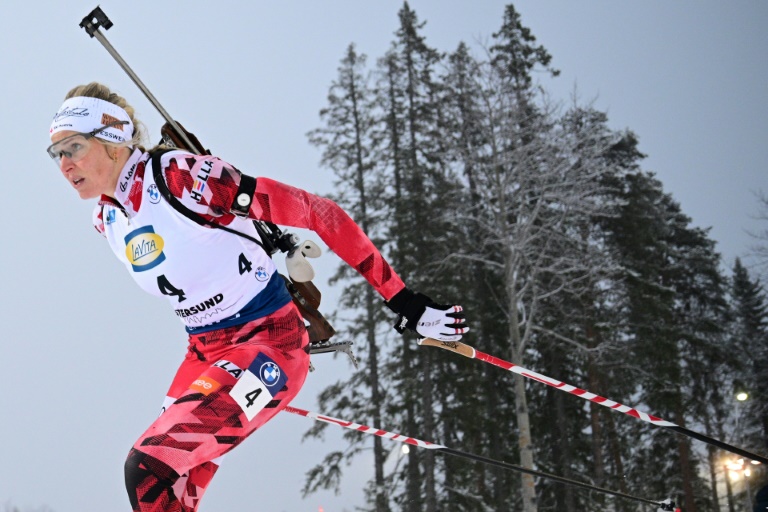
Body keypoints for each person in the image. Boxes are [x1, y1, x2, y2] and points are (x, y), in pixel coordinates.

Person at [48, 82, 468, 512]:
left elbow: (317, 212)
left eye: (74, 147)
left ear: (115, 141)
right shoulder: (107, 217)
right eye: (56, 153)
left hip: (270, 344)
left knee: (147, 467)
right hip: (204, 353)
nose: (64, 164)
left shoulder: (181, 177)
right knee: (166, 490)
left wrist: (404, 302)